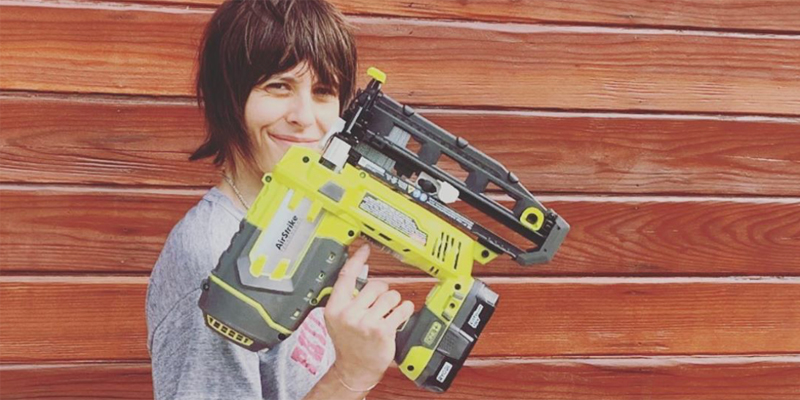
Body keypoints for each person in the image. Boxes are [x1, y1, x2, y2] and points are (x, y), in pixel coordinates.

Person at [145, 1, 415, 399]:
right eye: (278, 86)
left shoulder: (308, 221)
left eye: (324, 91)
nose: (305, 116)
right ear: (229, 98)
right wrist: (350, 375)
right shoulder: (213, 256)